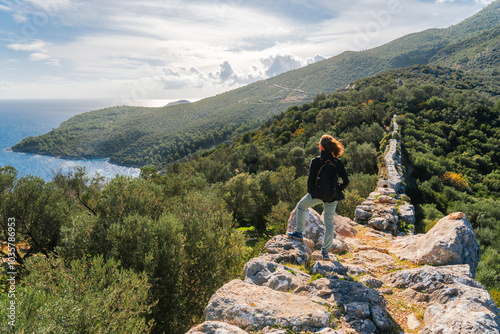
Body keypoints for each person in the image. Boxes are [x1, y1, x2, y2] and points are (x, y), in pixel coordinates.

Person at [288, 134, 349, 260]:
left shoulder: (316, 161)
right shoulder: (337, 162)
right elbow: (346, 181)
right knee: (329, 223)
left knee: (301, 206)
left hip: (317, 194)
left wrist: (313, 192)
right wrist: (337, 190)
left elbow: (310, 181)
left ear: (321, 147)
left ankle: (299, 232)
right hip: (332, 196)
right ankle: (325, 252)